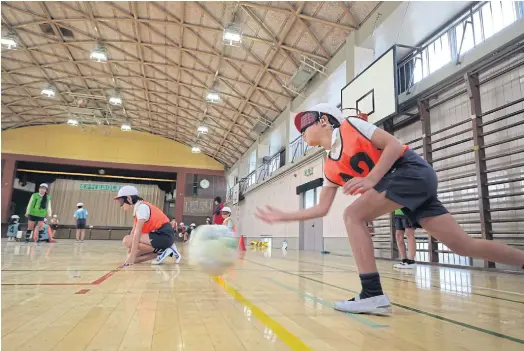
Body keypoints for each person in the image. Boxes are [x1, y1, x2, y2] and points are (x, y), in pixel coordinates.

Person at [256, 103, 524, 315]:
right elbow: (322, 208)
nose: (301, 133)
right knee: (464, 246)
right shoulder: (329, 166)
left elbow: (394, 145)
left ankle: (372, 294)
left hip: (412, 172)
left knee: (352, 215)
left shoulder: (351, 126)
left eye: (304, 125)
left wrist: (372, 180)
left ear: (324, 121)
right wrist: (284, 216)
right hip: (410, 188)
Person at [115, 185, 181, 266]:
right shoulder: (137, 209)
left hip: (164, 235)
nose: (120, 205)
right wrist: (131, 255)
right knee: (133, 257)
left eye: (121, 201)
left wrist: (132, 254)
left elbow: (137, 233)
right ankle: (162, 253)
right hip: (157, 236)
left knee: (127, 240)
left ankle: (164, 250)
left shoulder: (142, 208)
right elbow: (133, 232)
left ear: (129, 198)